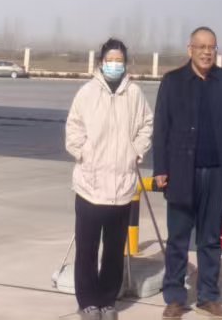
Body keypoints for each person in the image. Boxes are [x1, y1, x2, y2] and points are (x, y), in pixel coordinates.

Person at [153, 26, 222, 318]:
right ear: (189, 49)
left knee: (210, 239)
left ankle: (208, 296)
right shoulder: (173, 81)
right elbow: (161, 127)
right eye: (201, 47)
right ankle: (175, 297)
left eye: (211, 47)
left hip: (216, 173)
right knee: (178, 238)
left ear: (216, 51)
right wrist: (161, 168)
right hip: (181, 172)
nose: (206, 52)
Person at [65, 38, 154, 320]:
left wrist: (135, 152)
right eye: (110, 60)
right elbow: (73, 128)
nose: (115, 65)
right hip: (90, 185)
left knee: (114, 249)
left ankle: (107, 301)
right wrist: (83, 153)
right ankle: (88, 302)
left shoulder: (134, 94)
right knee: (87, 248)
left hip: (122, 186)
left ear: (125, 64)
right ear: (101, 62)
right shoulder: (87, 93)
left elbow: (146, 125)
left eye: (119, 61)